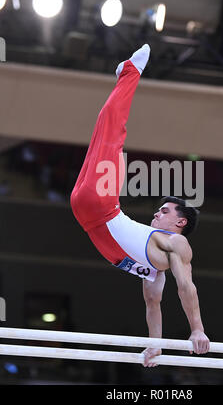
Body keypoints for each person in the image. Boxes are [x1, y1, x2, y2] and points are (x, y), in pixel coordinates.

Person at [70, 44, 210, 368]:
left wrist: (169, 341)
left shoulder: (176, 245)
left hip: (91, 211)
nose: (157, 212)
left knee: (111, 133)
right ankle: (127, 74)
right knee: (107, 133)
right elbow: (166, 298)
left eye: (166, 210)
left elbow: (169, 295)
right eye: (159, 208)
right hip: (96, 208)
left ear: (181, 223)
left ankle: (129, 73)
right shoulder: (160, 251)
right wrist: (182, 335)